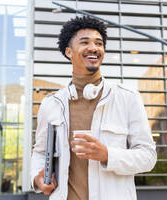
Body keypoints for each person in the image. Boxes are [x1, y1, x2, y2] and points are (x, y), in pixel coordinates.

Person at [30, 16, 157, 200]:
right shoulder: (51, 104)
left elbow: (148, 157)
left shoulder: (127, 98)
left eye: (99, 43)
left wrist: (107, 155)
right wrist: (38, 177)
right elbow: (40, 152)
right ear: (68, 52)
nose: (94, 48)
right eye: (85, 42)